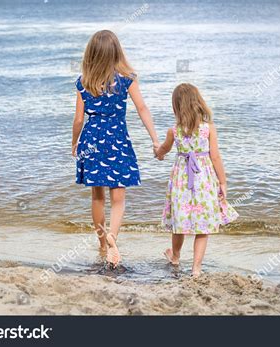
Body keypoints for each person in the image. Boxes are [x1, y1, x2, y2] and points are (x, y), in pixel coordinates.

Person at [71, 30, 159, 267]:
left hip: (91, 141)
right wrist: (154, 139)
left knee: (97, 196)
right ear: (117, 52)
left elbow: (79, 120)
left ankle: (102, 244)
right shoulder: (127, 79)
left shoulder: (84, 82)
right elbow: (142, 109)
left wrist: (74, 142)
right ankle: (113, 236)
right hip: (117, 139)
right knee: (118, 197)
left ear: (91, 54)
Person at [156, 83, 238, 276]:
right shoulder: (208, 129)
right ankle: (196, 268)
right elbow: (216, 157)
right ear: (198, 102)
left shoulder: (174, 131)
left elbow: (164, 150)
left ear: (177, 106)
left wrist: (157, 152)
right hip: (204, 179)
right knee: (203, 226)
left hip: (181, 180)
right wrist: (223, 182)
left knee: (180, 222)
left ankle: (175, 257)